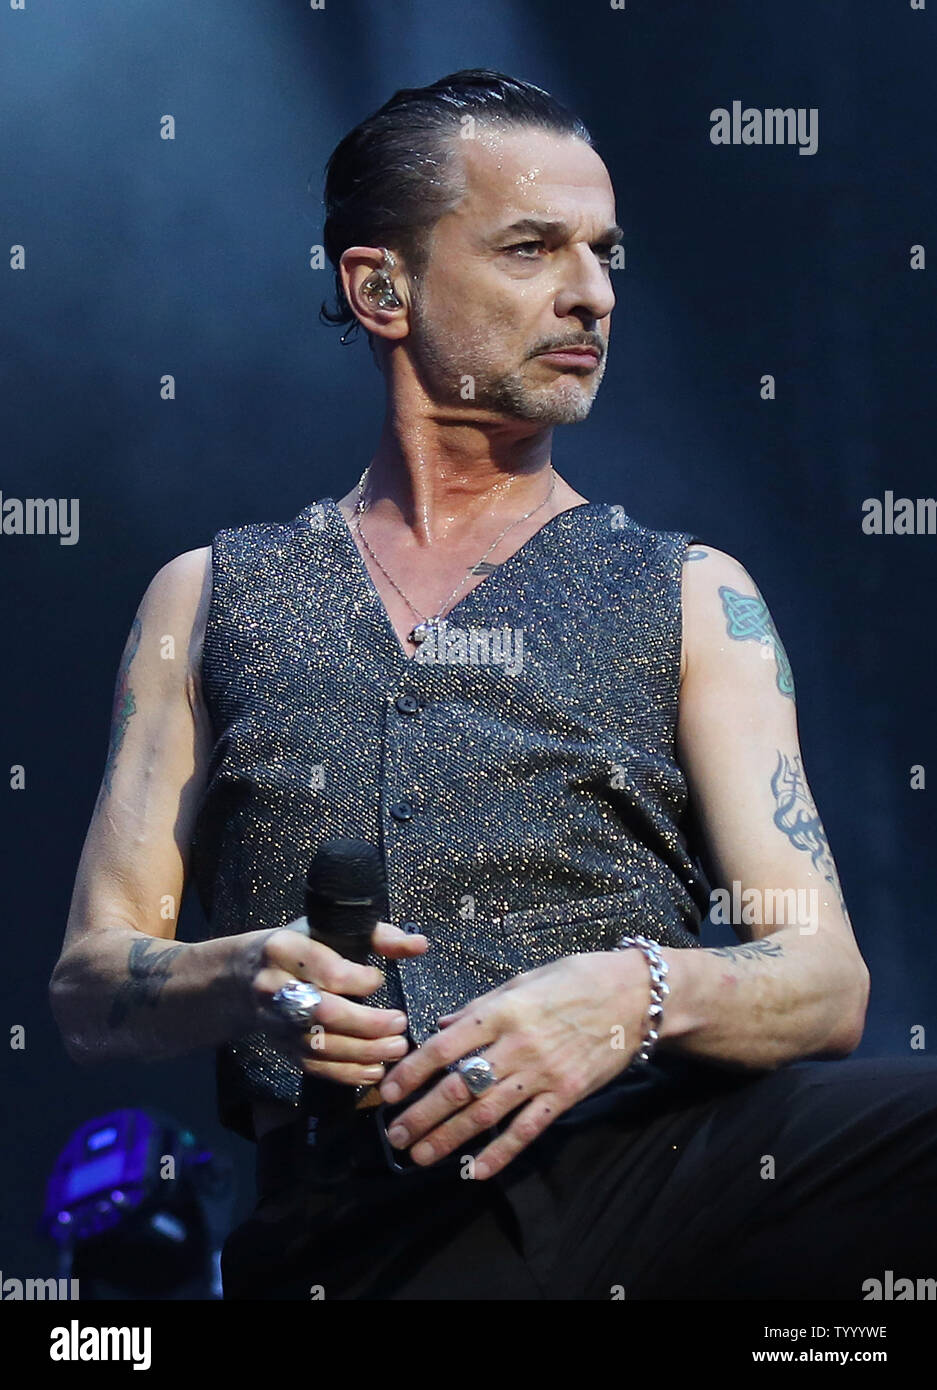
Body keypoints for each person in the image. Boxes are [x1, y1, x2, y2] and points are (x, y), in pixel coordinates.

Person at [50, 69, 937, 1300]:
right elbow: (92, 986)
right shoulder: (206, 598)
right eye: (532, 248)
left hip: (668, 1166)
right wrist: (248, 973)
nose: (594, 292)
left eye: (604, 251)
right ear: (380, 288)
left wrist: (632, 993)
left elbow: (823, 979)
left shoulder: (692, 593)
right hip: (364, 1212)